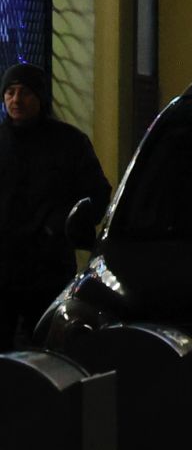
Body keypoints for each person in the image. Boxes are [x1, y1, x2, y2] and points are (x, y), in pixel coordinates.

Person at [0, 63, 110, 350]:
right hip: (5, 267)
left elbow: (97, 194)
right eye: (10, 92)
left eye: (24, 92)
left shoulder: (69, 143)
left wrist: (62, 227)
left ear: (40, 98)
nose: (16, 100)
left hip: (47, 268)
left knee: (48, 348)